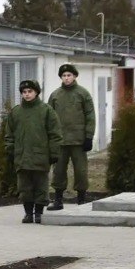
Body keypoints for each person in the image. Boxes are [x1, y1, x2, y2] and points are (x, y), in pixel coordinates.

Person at [6, 79, 62, 224]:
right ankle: (28, 213)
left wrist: (54, 153)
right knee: (24, 187)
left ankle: (38, 213)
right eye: (24, 92)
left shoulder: (46, 110)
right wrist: (11, 150)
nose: (27, 94)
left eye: (30, 91)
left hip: (41, 156)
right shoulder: (16, 112)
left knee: (40, 186)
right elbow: (9, 134)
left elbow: (55, 134)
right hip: (22, 156)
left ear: (36, 92)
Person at [47, 63, 96, 209]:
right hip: (60, 141)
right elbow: (49, 118)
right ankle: (58, 200)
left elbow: (90, 115)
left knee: (81, 171)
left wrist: (89, 136)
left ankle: (81, 199)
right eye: (64, 76)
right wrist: (50, 138)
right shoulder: (55, 95)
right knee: (58, 171)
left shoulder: (83, 93)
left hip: (79, 141)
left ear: (74, 76)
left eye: (69, 75)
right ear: (61, 77)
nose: (66, 78)